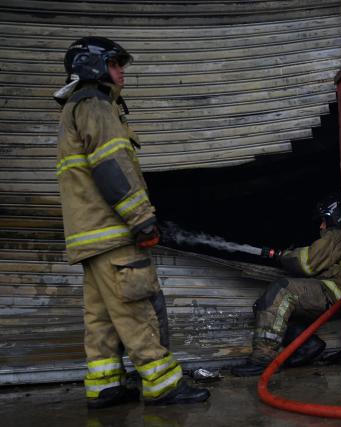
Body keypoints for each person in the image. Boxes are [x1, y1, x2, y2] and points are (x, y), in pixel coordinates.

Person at [54, 37, 210, 408]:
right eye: (115, 63)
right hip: (113, 234)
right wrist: (142, 219)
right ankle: (162, 384)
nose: (122, 71)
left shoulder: (74, 109)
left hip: (90, 239)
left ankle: (105, 386)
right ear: (94, 67)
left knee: (102, 317)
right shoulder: (95, 105)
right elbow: (113, 169)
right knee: (136, 309)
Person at [231, 194, 341, 376]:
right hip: (335, 294)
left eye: (323, 220)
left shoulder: (337, 236)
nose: (321, 226)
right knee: (264, 305)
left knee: (282, 290)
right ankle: (307, 345)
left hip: (333, 292)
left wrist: (282, 255)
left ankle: (263, 359)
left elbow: (307, 263)